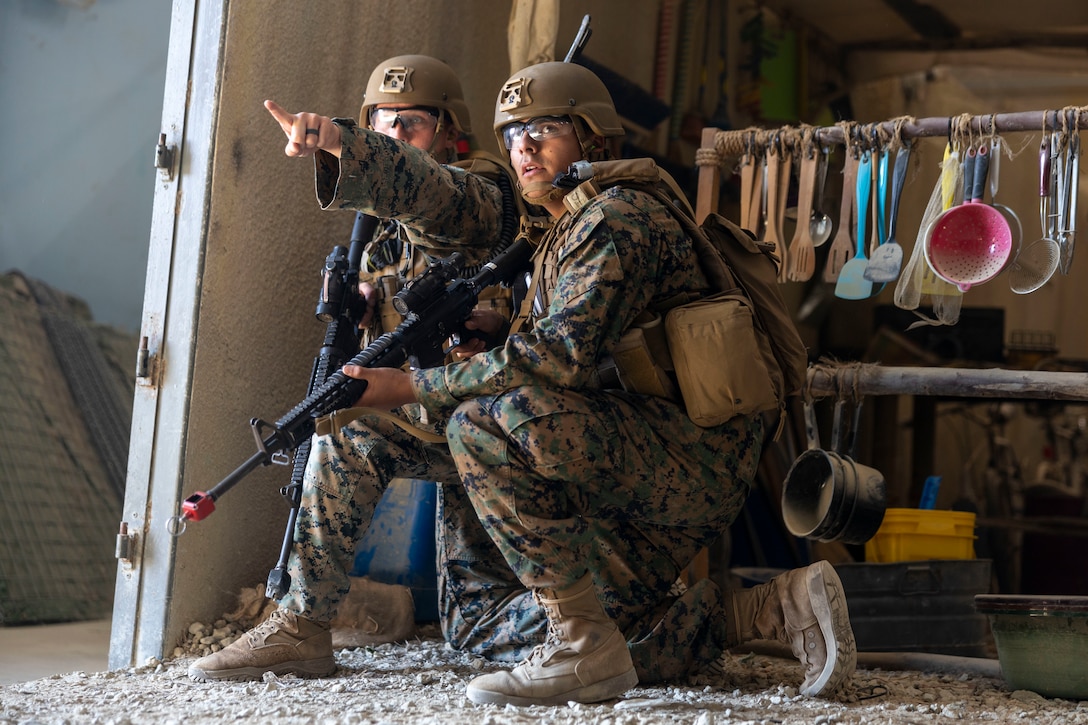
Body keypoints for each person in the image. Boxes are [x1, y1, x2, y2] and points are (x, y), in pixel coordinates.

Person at [194, 59, 857, 708]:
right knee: (474, 619)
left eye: (546, 129)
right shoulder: (558, 226)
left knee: (480, 422)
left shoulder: (615, 218)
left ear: (592, 140)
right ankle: (757, 611)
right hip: (605, 452)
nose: (524, 147)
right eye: (514, 133)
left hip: (680, 462)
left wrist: (415, 384)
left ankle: (582, 639)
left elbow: (556, 358)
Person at [187, 55, 549, 682]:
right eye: (382, 124)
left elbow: (430, 195)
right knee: (473, 621)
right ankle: (301, 624)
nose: (395, 138)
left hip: (501, 422)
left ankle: (669, 625)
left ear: (450, 132)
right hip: (439, 415)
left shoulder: (482, 195)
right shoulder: (382, 234)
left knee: (355, 443)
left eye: (411, 124)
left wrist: (336, 141)